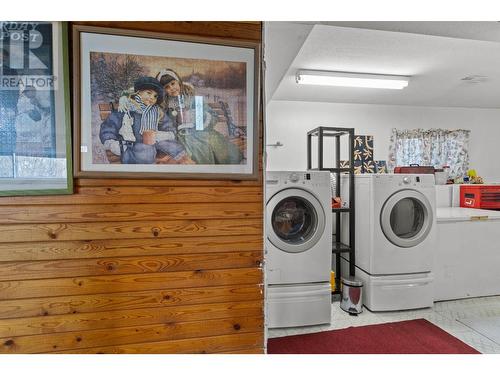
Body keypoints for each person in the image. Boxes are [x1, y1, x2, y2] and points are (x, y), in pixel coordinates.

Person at [156, 69, 243, 165]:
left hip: (199, 132)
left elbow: (212, 116)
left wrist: (195, 116)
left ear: (178, 82)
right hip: (179, 136)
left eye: (173, 83)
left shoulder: (192, 99)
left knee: (206, 143)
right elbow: (166, 125)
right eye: (167, 87)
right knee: (189, 147)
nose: (172, 88)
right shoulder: (166, 106)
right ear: (164, 90)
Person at [100, 76, 187, 164]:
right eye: (149, 93)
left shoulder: (156, 111)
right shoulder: (127, 109)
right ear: (138, 93)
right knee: (145, 152)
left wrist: (161, 135)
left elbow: (167, 125)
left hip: (154, 141)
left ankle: (183, 165)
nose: (152, 97)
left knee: (174, 147)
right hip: (133, 144)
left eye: (155, 96)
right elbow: (109, 127)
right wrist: (111, 143)